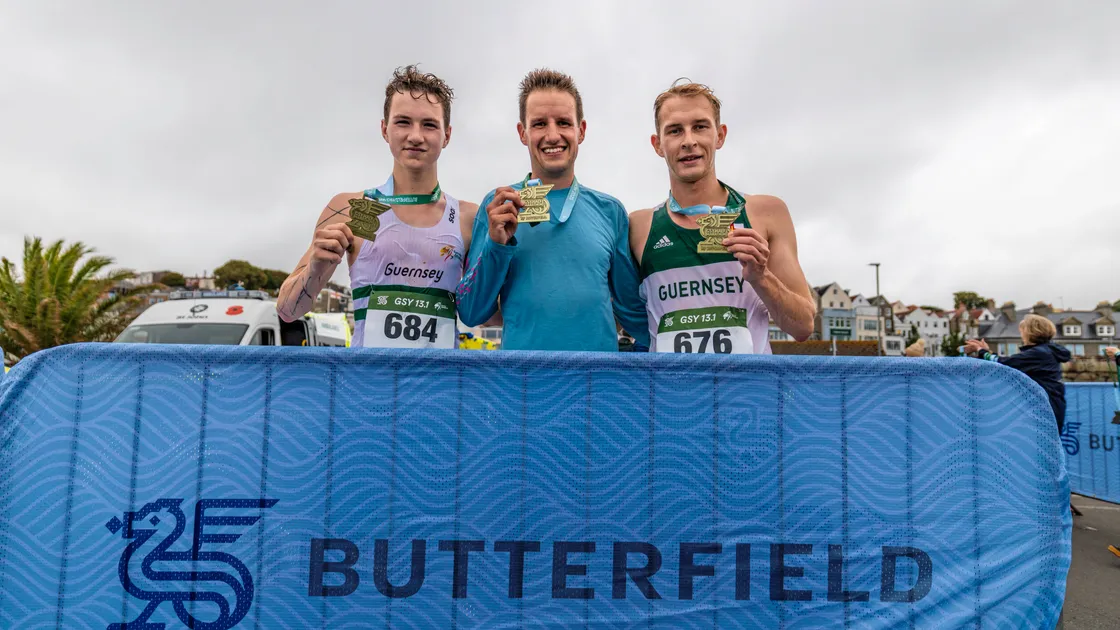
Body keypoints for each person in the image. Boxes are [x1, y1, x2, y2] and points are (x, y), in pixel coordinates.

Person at [278, 65, 477, 349]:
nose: (416, 136)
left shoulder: (469, 219)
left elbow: (490, 314)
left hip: (438, 387)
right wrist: (316, 268)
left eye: (429, 124)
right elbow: (287, 312)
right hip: (367, 388)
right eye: (403, 122)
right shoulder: (349, 208)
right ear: (384, 129)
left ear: (447, 135)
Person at [455, 69, 648, 351]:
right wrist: (496, 245)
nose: (553, 135)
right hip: (523, 385)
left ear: (580, 131)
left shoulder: (610, 212)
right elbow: (471, 312)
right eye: (539, 124)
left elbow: (634, 313)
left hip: (596, 386)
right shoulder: (497, 207)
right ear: (523, 132)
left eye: (563, 123)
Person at [627, 81, 814, 354]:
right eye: (675, 130)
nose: (689, 141)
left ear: (720, 135)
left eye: (700, 127)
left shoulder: (766, 213)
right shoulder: (638, 227)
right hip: (674, 395)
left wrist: (762, 277)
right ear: (658, 144)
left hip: (746, 394)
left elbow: (803, 327)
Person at [963, 314, 1071, 430]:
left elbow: (1004, 364)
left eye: (1023, 331)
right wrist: (986, 352)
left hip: (1045, 407)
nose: (1022, 335)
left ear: (1031, 332)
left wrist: (981, 351)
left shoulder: (1038, 353)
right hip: (1050, 405)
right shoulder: (1046, 351)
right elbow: (1010, 363)